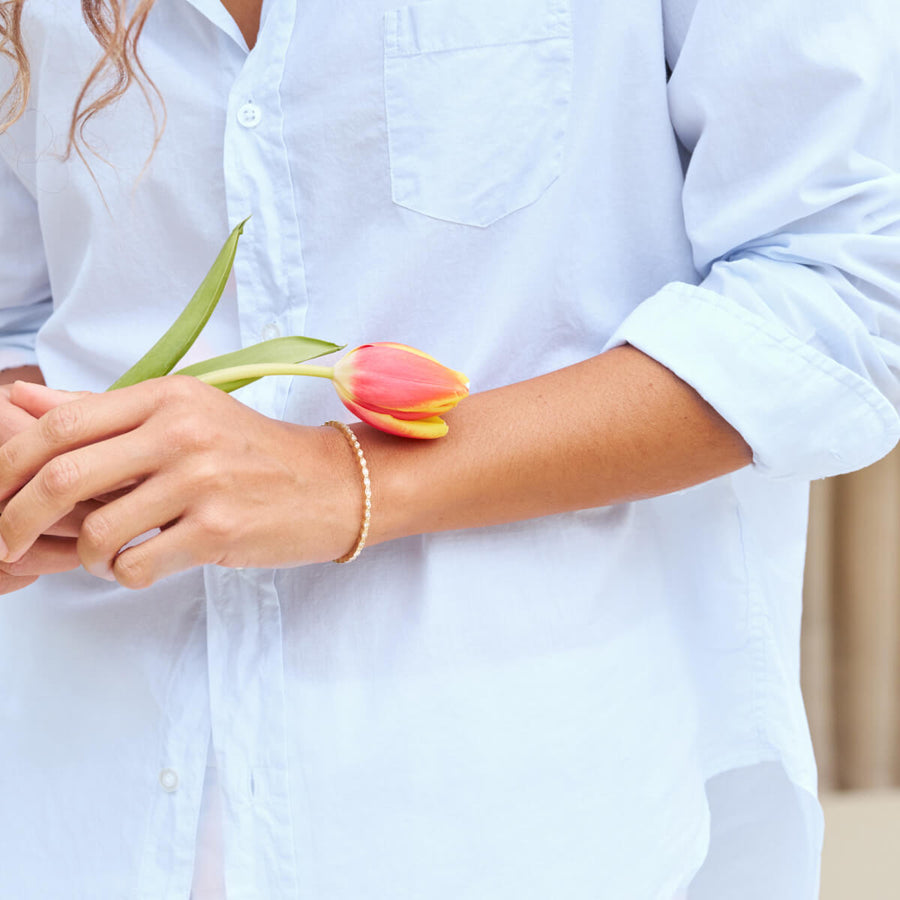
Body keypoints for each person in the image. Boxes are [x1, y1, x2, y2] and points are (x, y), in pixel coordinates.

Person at [0, 0, 897, 897]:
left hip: (513, 802)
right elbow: (22, 310)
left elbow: (844, 290)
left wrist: (342, 478)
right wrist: (34, 454)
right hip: (73, 796)